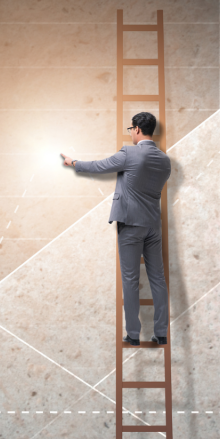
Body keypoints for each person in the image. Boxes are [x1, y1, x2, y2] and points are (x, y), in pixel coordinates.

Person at [61, 112, 171, 346]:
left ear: (138, 130)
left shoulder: (130, 153)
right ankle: (161, 332)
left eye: (131, 129)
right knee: (158, 279)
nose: (131, 133)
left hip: (131, 224)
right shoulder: (164, 160)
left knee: (131, 279)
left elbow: (101, 166)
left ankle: (133, 334)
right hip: (153, 225)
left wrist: (74, 163)